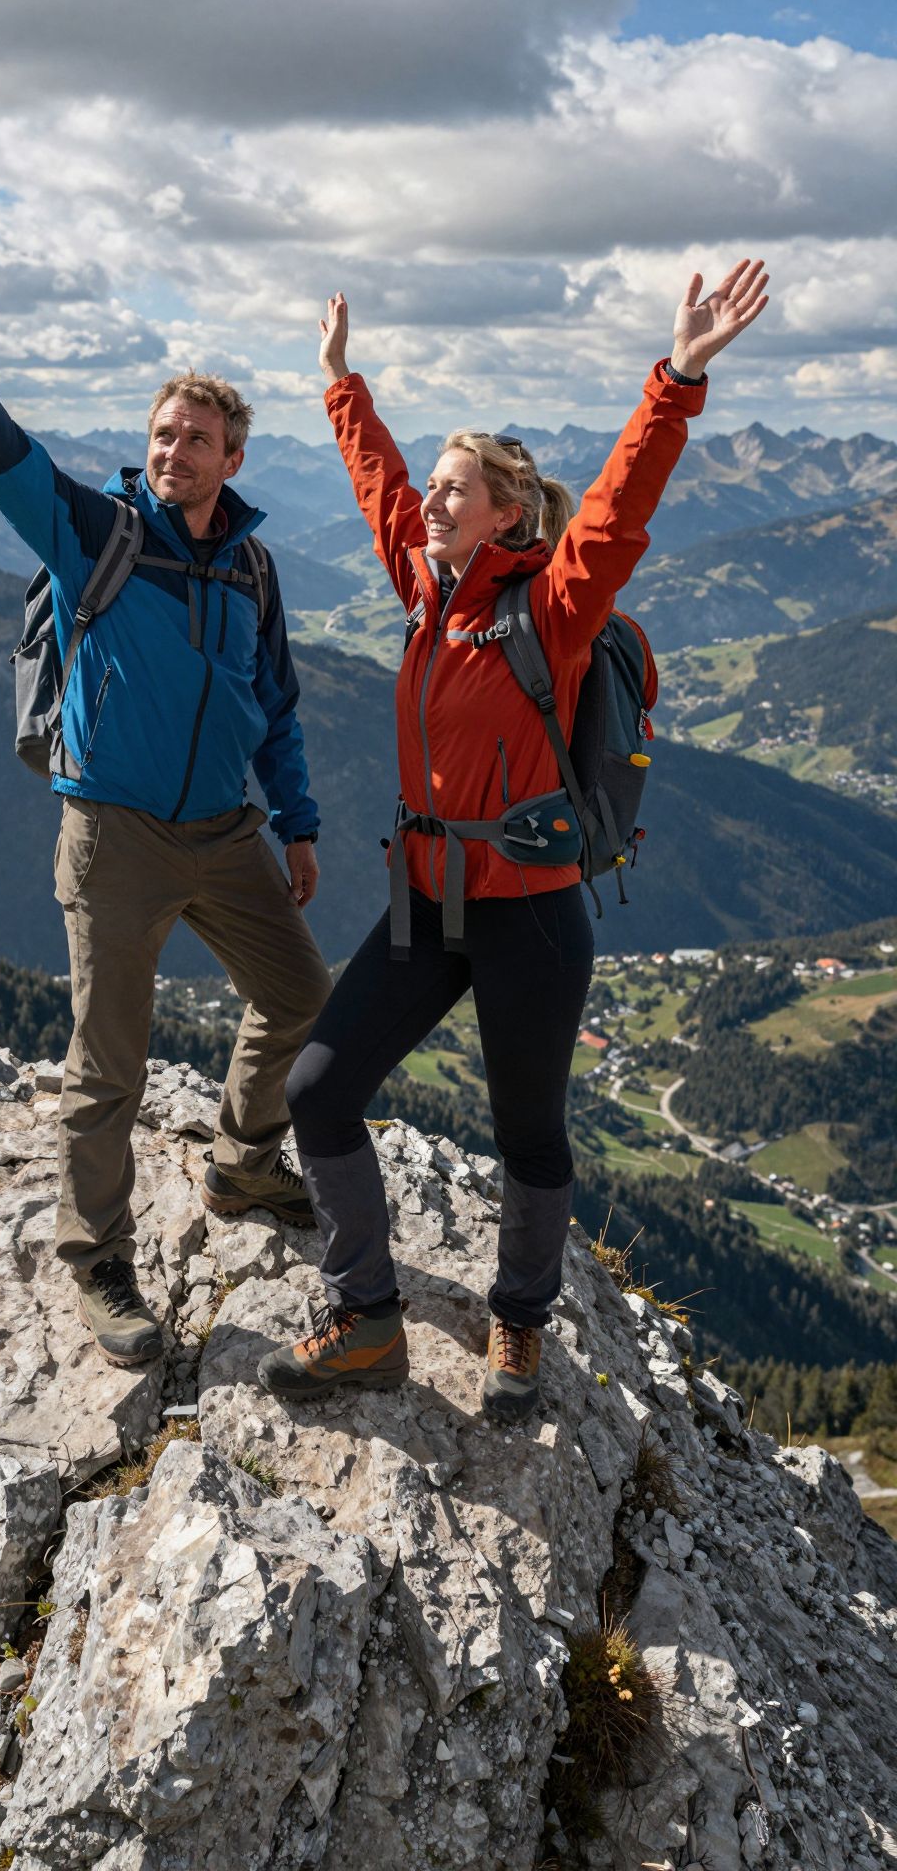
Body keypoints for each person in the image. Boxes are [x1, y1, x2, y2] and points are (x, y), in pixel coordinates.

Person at [259, 260, 769, 1418]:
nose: (430, 503)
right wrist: (342, 385)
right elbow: (378, 487)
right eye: (435, 489)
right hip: (431, 896)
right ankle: (368, 1318)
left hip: (531, 905)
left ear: (504, 511)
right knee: (320, 1090)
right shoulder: (427, 589)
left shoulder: (551, 603)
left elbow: (620, 505)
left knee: (527, 1128)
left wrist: (678, 374)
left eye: (455, 490)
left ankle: (520, 1322)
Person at [0, 207, 333, 1369]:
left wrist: (298, 822)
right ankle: (96, 1257)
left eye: (198, 437)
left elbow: (278, 706)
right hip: (114, 833)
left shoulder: (251, 566)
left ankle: (241, 1160)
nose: (175, 450)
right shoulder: (96, 535)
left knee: (302, 992)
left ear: (234, 457)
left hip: (228, 831)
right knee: (109, 1056)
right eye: (164, 433)